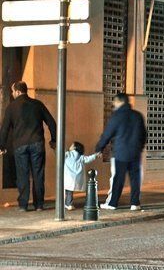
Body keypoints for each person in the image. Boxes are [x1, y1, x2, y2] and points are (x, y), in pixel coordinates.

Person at [0, 81, 57, 212]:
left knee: (22, 175)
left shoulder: (11, 107)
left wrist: (1, 146)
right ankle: (39, 205)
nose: (13, 94)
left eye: (13, 91)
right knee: (38, 174)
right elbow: (51, 122)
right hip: (37, 144)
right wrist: (54, 140)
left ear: (18, 92)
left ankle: (23, 205)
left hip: (20, 145)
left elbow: (4, 129)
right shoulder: (38, 104)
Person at [96, 93, 147, 211]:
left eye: (114, 102)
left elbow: (107, 134)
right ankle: (135, 203)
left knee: (118, 179)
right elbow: (144, 134)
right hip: (135, 152)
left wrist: (100, 148)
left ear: (119, 101)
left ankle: (113, 203)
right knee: (135, 179)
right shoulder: (138, 115)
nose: (113, 104)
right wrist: (140, 147)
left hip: (121, 153)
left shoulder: (117, 116)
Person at [64, 142, 99, 210]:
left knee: (68, 191)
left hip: (68, 176)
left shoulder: (68, 154)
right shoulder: (81, 157)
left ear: (74, 147)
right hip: (76, 178)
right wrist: (95, 155)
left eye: (72, 145)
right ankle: (69, 204)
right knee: (70, 191)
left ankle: (68, 204)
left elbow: (60, 154)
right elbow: (88, 159)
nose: (70, 146)